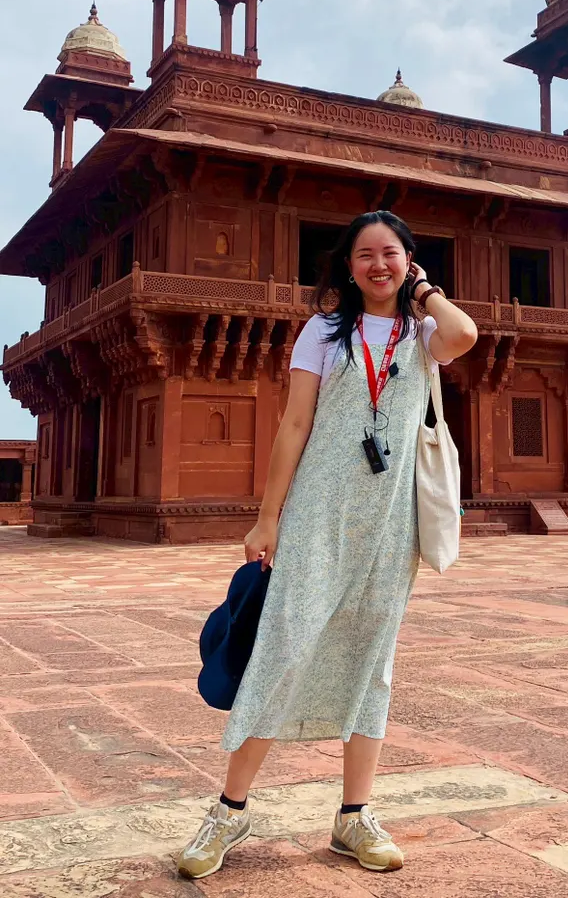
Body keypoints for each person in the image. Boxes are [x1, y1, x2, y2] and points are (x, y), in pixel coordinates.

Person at [177, 211, 477, 879]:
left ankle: (354, 815)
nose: (379, 265)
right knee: (284, 647)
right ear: (347, 266)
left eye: (391, 254)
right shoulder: (323, 331)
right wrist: (267, 517)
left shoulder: (424, 331)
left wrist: (424, 291)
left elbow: (466, 333)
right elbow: (293, 422)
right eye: (365, 255)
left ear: (410, 260)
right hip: (317, 512)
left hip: (391, 523)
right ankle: (229, 808)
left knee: (373, 659)